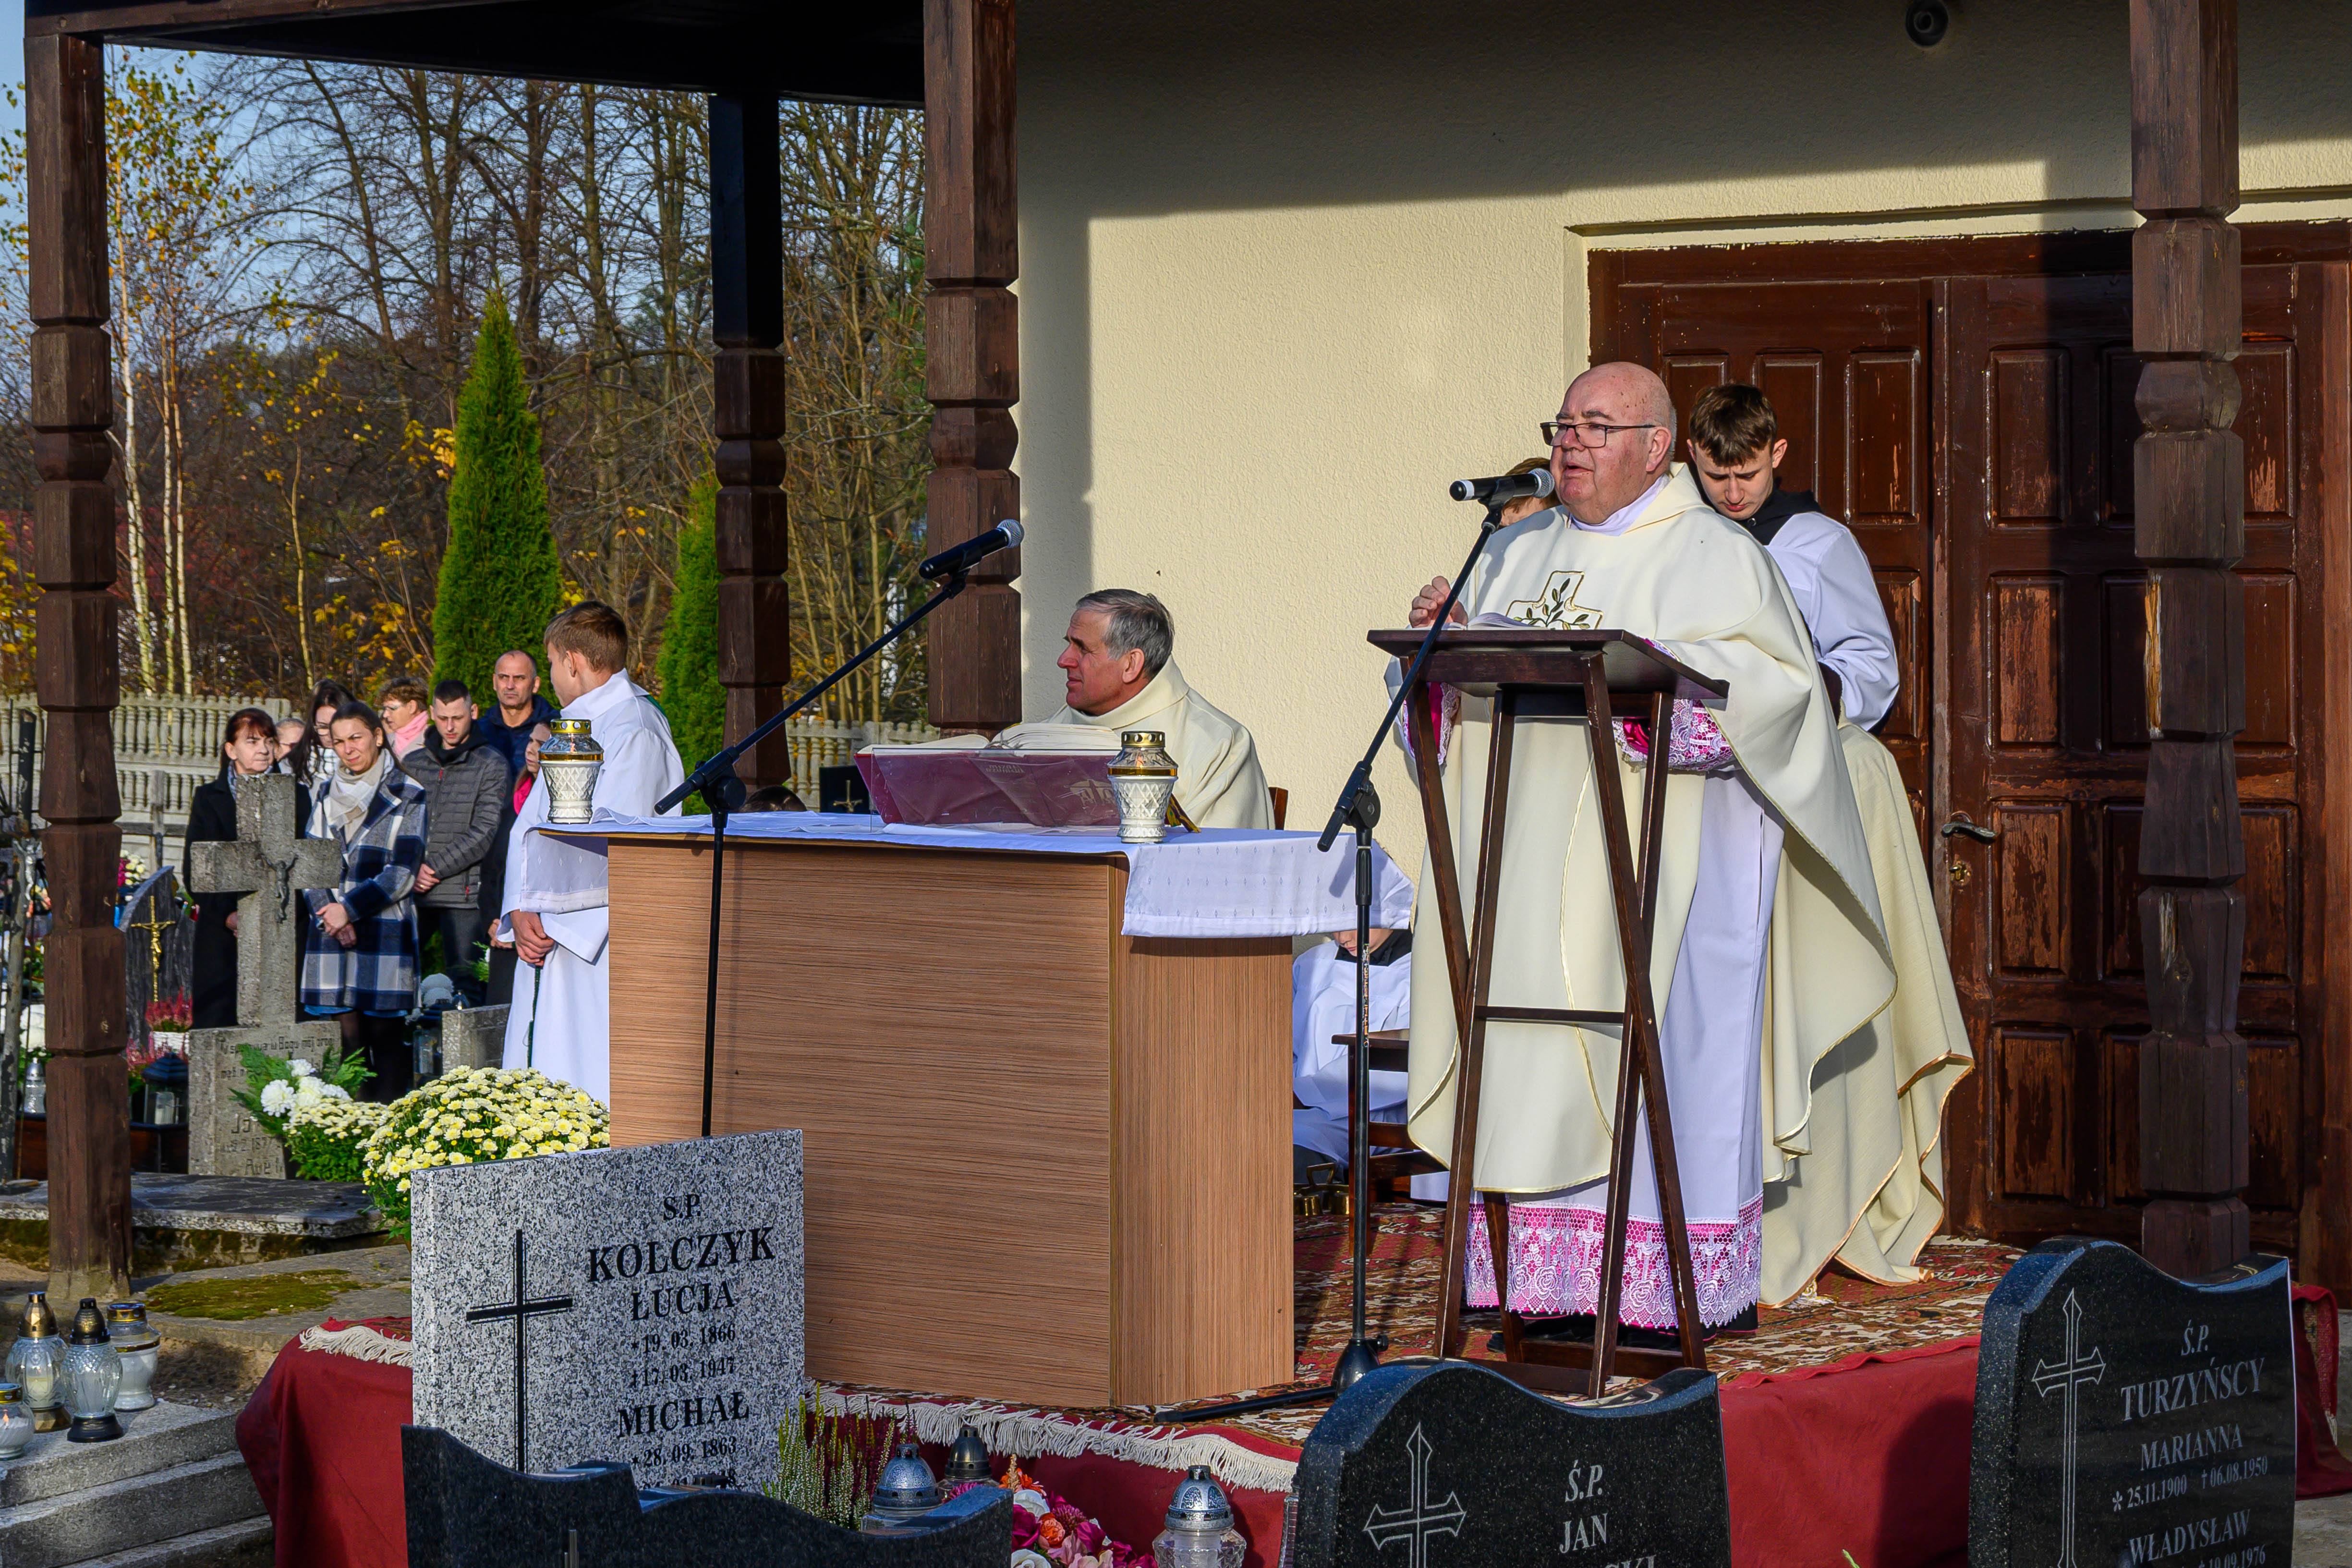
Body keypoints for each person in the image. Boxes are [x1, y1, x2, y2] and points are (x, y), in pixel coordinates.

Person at [1398, 361, 1891, 1340]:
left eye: (1595, 426)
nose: (1569, 444)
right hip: (1524, 868)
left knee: (1658, 1060)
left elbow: (1782, 694)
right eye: (1563, 425)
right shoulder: (1513, 550)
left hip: (1669, 862)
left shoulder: (1716, 555)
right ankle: (1536, 1287)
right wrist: (1443, 651)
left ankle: (1659, 1297)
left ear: (1655, 447)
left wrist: (1651, 714)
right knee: (1528, 1049)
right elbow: (1456, 697)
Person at [1685, 382, 1973, 1297]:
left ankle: (1824, 1199)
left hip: (1805, 784)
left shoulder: (1816, 544)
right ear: (1690, 459)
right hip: (1701, 793)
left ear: (1776, 455)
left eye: (1745, 473)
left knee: (1808, 992)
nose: (1732, 492)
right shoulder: (1676, 542)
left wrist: (1798, 706)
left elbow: (1869, 666)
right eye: (1715, 474)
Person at [498, 602, 684, 1103]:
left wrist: (551, 921)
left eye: (552, 663)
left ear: (574, 662)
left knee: (586, 1072)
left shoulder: (635, 729)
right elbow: (530, 827)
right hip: (546, 927)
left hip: (593, 938)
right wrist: (520, 908)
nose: (553, 677)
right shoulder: (578, 725)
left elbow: (619, 841)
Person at [1025, 590, 1272, 829]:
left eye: (1083, 649)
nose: (1063, 660)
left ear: (1131, 664)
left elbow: (1215, 852)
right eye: (1069, 644)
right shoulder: (1038, 738)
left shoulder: (1220, 745)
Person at [301, 700, 431, 1102]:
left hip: (382, 930)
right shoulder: (325, 792)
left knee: (386, 1042)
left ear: (377, 736)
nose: (348, 749)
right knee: (345, 1049)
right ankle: (348, 1132)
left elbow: (402, 872)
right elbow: (310, 863)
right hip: (330, 932)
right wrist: (329, 914)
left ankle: (388, 1129)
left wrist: (349, 910)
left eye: (356, 738)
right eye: (339, 741)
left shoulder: (408, 792)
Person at [1290, 926, 1446, 1201]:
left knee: (1295, 1139)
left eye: (1353, 925)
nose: (1343, 938)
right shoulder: (1312, 963)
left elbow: (1411, 1059)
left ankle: (1310, 1222)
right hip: (1299, 1100)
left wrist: (1306, 1094)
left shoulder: (1425, 970)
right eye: (1336, 926)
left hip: (1377, 1108)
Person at [184, 709, 302, 1030]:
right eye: (252, 741)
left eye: (269, 741)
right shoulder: (209, 798)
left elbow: (302, 862)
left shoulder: (297, 795)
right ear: (231, 749)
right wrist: (229, 914)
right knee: (220, 1019)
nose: (263, 749)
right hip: (223, 932)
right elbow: (197, 867)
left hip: (281, 925)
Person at [399, 679, 510, 1004]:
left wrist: (432, 868)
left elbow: (485, 830)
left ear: (473, 712)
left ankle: (468, 1041)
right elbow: (397, 823)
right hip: (412, 890)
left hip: (462, 896)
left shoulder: (491, 764)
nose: (449, 727)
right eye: (443, 718)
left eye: (458, 718)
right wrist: (411, 867)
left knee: (466, 983)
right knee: (397, 977)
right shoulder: (413, 763)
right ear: (432, 713)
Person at [478, 649, 559, 777]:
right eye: (503, 677)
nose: (510, 686)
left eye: (519, 678)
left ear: (536, 684)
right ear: (494, 682)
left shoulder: (555, 732)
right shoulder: (479, 732)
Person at [294, 678, 355, 795]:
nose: (331, 735)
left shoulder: (371, 766)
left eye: (337, 726)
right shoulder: (294, 765)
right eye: (323, 727)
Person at [379, 677, 431, 759]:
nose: (385, 715)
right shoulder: (384, 743)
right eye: (385, 709)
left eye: (392, 708)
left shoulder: (435, 739)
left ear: (412, 707)